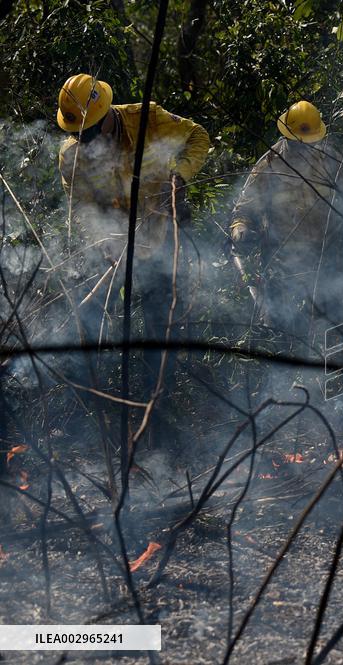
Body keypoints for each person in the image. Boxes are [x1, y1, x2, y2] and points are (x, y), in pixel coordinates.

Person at [56, 73, 210, 427]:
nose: (84, 140)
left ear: (105, 113)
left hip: (157, 238)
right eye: (77, 134)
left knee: (158, 326)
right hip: (112, 248)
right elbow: (81, 208)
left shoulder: (148, 120)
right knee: (87, 321)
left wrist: (180, 174)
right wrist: (104, 240)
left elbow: (198, 136)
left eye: (89, 132)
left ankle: (156, 408)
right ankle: (92, 412)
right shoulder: (72, 156)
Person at [229, 100, 343, 354]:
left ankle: (329, 370)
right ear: (288, 138)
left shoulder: (331, 158)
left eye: (309, 143)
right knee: (281, 325)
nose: (304, 149)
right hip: (282, 257)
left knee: (329, 322)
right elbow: (246, 205)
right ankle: (282, 370)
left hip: (324, 253)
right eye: (298, 144)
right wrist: (240, 227)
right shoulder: (269, 164)